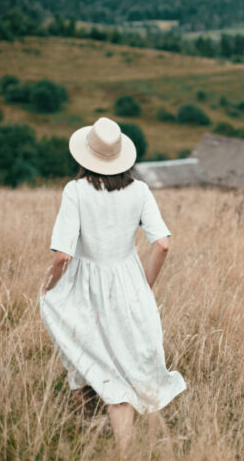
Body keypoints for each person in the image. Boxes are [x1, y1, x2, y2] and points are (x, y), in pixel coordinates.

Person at [40, 117, 186, 454]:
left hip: (83, 288)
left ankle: (90, 433)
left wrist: (46, 288)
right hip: (129, 285)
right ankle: (127, 447)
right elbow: (162, 244)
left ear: (85, 156)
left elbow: (63, 256)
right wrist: (146, 285)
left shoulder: (75, 191)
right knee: (130, 363)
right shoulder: (140, 191)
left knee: (81, 350)